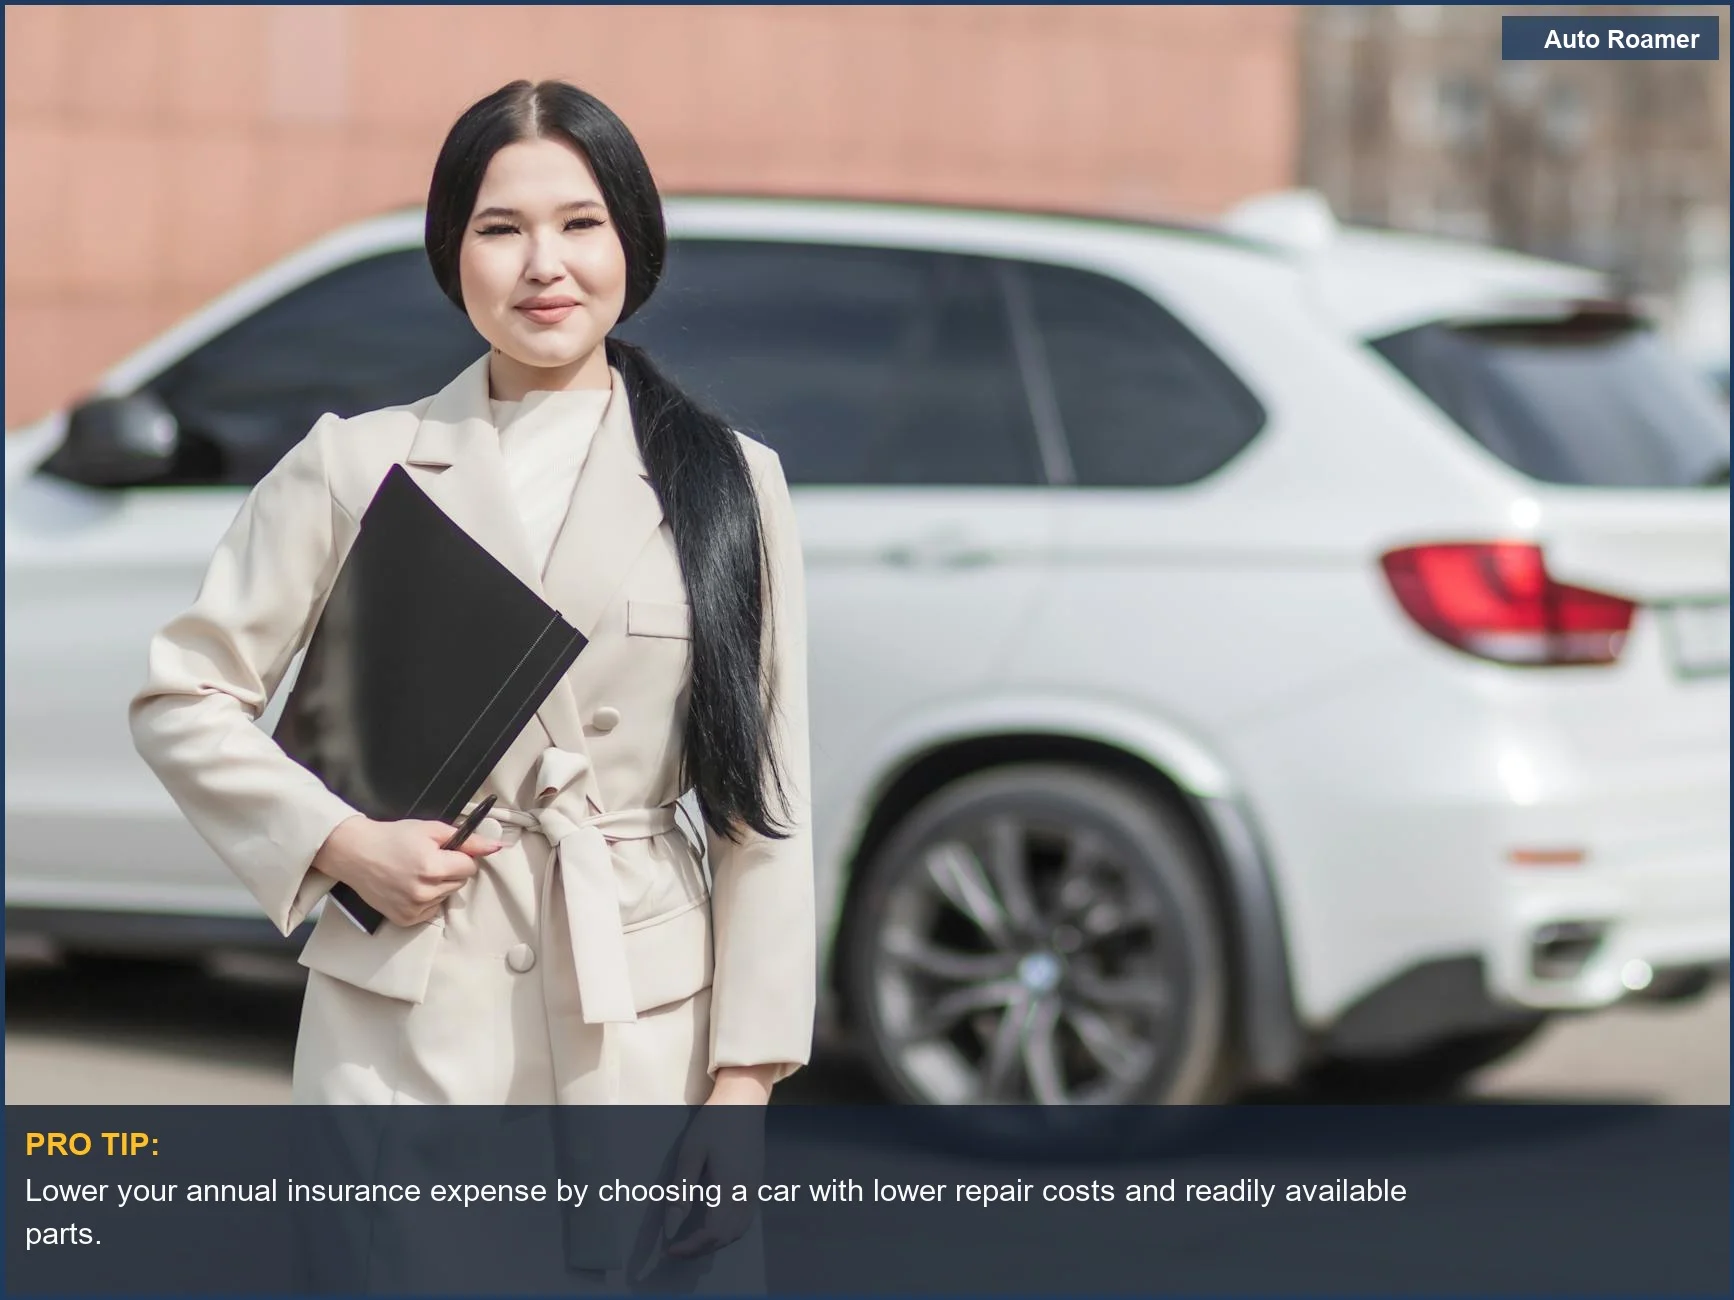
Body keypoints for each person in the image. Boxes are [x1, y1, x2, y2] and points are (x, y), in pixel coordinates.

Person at [128, 79, 816, 1115]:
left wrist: (745, 1079)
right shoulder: (357, 464)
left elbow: (767, 812)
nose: (545, 263)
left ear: (633, 239)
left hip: (643, 1030)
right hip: (403, 1022)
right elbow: (183, 698)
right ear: (453, 251)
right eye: (502, 228)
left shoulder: (729, 480)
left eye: (580, 223)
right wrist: (341, 842)